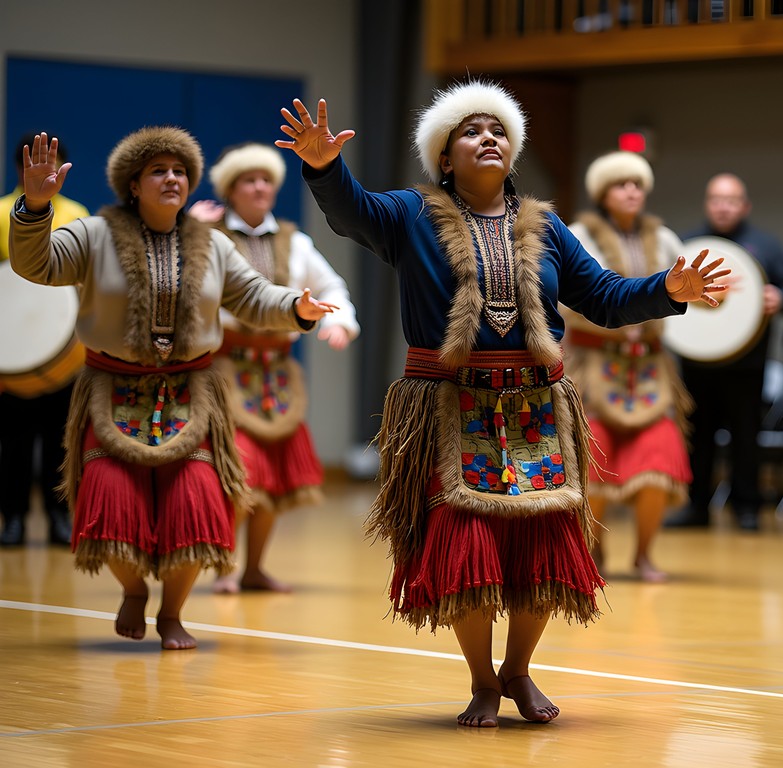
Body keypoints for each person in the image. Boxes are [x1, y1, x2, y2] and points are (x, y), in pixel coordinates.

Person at [275, 82, 728, 726]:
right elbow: (352, 214)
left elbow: (601, 295)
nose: (488, 138)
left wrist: (666, 289)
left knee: (542, 545)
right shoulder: (410, 214)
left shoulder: (546, 227)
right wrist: (323, 166)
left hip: (534, 408)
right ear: (445, 155)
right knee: (469, 546)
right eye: (471, 131)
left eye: (498, 131)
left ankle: (518, 671)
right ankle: (483, 680)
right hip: (447, 406)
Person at [8, 128, 335, 650]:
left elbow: (253, 295)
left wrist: (295, 308)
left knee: (198, 503)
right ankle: (134, 590)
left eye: (181, 171)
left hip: (191, 395)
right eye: (159, 170)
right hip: (112, 390)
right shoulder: (94, 234)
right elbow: (35, 264)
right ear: (133, 184)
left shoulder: (212, 243)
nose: (172, 178)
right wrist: (34, 207)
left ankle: (174, 614)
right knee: (110, 504)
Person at [189, 143, 361, 593]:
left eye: (266, 180)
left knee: (271, 476)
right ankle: (225, 567)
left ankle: (253, 568)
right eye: (249, 181)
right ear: (231, 190)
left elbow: (331, 286)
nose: (260, 188)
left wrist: (340, 320)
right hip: (226, 368)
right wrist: (189, 233)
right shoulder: (208, 236)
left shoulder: (293, 240)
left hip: (276, 375)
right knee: (237, 467)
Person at [564, 151, 693, 582]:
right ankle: (596, 555)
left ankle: (643, 555)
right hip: (592, 369)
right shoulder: (578, 235)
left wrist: (714, 295)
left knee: (657, 464)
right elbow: (562, 294)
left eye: (638, 184)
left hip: (650, 374)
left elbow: (686, 287)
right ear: (604, 193)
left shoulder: (666, 240)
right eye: (622, 184)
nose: (632, 191)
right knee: (594, 466)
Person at [674, 173, 783, 531]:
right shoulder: (687, 245)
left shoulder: (766, 246)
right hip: (697, 360)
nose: (723, 206)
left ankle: (747, 509)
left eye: (731, 200)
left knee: (747, 436)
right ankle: (695, 506)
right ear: (707, 203)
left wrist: (782, 297)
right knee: (697, 435)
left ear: (744, 205)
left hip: (748, 363)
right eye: (716, 199)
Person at [0, 133, 89, 547]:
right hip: (13, 356)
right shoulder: (2, 211)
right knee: (13, 443)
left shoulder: (77, 214)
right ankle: (13, 519)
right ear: (19, 167)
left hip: (64, 350)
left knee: (60, 439)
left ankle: (58, 517)